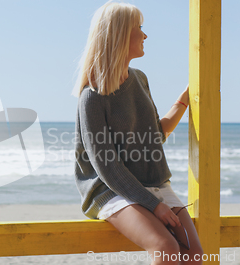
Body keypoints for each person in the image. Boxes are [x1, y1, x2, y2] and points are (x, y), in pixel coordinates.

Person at [72, 2, 203, 265]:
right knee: (165, 247)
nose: (145, 35)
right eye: (139, 28)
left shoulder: (140, 79)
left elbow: (156, 134)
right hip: (109, 189)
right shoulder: (92, 96)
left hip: (153, 183)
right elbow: (107, 167)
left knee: (194, 254)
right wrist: (155, 205)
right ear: (119, 34)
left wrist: (184, 101)